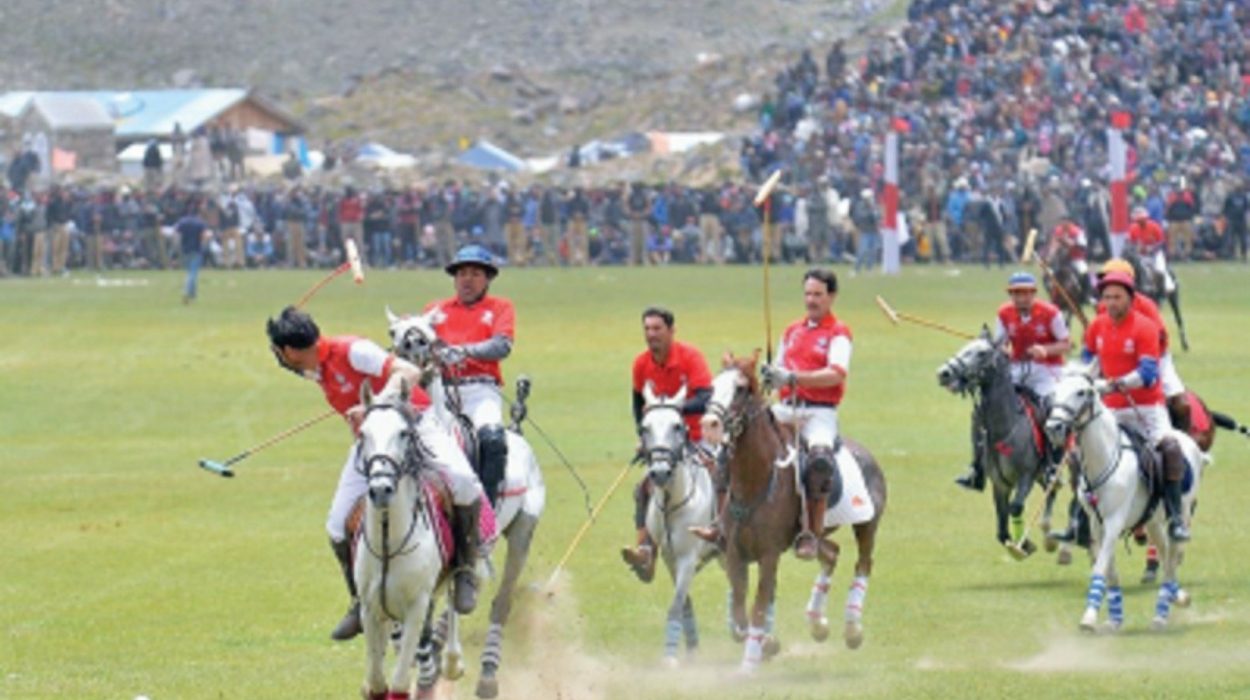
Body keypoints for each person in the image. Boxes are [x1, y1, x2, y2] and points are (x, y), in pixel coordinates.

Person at [266, 307, 485, 641]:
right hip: (374, 445)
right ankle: (358, 600)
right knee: (337, 525)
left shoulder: (353, 350)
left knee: (466, 483)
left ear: (291, 351)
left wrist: (374, 405)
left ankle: (466, 570)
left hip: (416, 422)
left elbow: (408, 371)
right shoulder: (318, 369)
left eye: (279, 353)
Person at [1083, 272, 1189, 542]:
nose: (1111, 302)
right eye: (1106, 297)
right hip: (1110, 410)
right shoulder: (1097, 326)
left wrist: (1117, 383)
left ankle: (1176, 517)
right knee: (1082, 451)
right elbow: (1092, 364)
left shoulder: (1145, 327)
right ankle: (1079, 519)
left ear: (1130, 298)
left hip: (1146, 408)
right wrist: (1082, 380)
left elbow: (1149, 373)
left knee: (1171, 449)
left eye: (1117, 297)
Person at [761, 269, 852, 560]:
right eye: (808, 294)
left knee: (820, 461)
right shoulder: (791, 330)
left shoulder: (839, 333)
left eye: (818, 295)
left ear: (832, 297)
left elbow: (836, 374)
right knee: (737, 441)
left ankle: (810, 533)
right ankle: (722, 521)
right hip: (784, 408)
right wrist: (770, 377)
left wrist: (793, 378)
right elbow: (778, 370)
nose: (811, 300)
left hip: (818, 413)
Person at [620, 306, 713, 582]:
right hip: (661, 442)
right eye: (647, 329)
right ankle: (646, 551)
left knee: (720, 476)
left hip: (696, 436)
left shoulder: (690, 357)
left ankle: (724, 532)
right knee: (643, 488)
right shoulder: (640, 364)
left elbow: (707, 396)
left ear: (671, 331)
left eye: (657, 329)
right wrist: (644, 436)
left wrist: (672, 410)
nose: (651, 335)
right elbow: (638, 403)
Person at [954, 272, 1071, 491]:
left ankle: (1051, 466)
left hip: (1047, 370)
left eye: (1026, 294)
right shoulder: (1004, 313)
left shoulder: (1051, 313)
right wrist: (999, 349)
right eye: (1016, 294)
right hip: (1016, 368)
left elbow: (1066, 344)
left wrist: (1045, 350)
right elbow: (1001, 343)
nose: (1021, 299)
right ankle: (977, 468)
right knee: (983, 410)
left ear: (1034, 294)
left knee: (1053, 410)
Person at [424, 245, 516, 508]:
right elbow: (419, 344)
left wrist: (462, 352)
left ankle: (485, 512)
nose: (467, 279)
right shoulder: (434, 309)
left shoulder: (500, 307)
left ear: (487, 279)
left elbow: (502, 345)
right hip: (439, 390)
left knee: (493, 440)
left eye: (476, 273)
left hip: (480, 391)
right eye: (462, 273)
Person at [175, 205, 209, 304]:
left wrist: (177, 248)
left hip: (185, 249)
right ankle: (186, 291)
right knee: (193, 272)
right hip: (196, 249)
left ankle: (193, 294)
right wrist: (204, 246)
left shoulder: (182, 222)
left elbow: (177, 235)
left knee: (190, 271)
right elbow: (204, 236)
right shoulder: (200, 223)